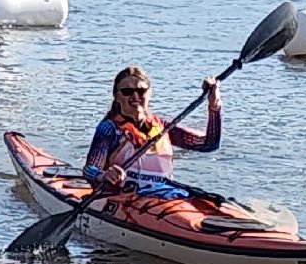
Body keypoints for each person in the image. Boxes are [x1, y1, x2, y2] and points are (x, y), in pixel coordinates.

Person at [84, 66, 220, 191]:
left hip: (161, 196)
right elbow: (90, 169)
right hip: (123, 198)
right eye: (127, 92)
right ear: (117, 96)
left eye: (141, 91)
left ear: (149, 94)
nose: (135, 96)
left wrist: (214, 106)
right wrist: (103, 175)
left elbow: (209, 144)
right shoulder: (110, 129)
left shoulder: (163, 127)